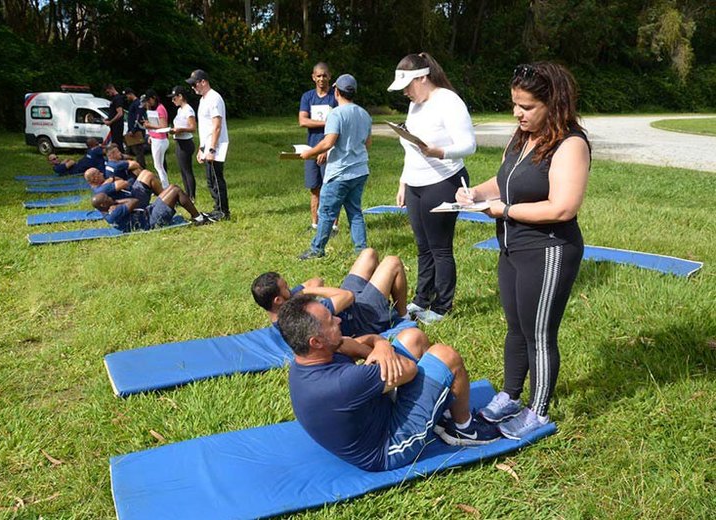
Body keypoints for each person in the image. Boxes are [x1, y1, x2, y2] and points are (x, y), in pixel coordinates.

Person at [455, 62, 590, 439]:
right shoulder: (520, 138)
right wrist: (477, 194)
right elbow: (505, 181)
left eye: (527, 107)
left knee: (539, 332)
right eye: (515, 104)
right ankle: (511, 395)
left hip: (548, 250)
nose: (518, 113)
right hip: (511, 247)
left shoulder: (570, 144)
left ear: (554, 103)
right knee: (516, 327)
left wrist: (505, 211)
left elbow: (563, 207)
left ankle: (538, 410)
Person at [277, 294, 501, 472]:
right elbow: (409, 370)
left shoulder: (311, 356)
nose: (338, 320)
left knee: (413, 337)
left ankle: (438, 412)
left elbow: (360, 342)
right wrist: (379, 347)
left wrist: (381, 346)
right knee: (446, 356)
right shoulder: (341, 383)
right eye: (330, 321)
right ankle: (463, 429)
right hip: (387, 448)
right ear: (315, 341)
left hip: (374, 413)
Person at [387, 53, 477, 324]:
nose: (404, 92)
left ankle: (441, 307)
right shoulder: (416, 104)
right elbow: (411, 147)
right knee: (422, 246)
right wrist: (404, 181)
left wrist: (438, 152)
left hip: (443, 181)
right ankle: (421, 299)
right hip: (415, 184)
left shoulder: (448, 101)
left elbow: (469, 144)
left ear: (423, 77)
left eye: (407, 86)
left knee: (439, 248)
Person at [251, 248, 411, 336]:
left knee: (368, 254)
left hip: (349, 307)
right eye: (286, 287)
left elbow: (317, 280)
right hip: (363, 318)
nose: (290, 289)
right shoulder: (299, 316)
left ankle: (379, 294)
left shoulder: (284, 304)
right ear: (278, 300)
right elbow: (347, 297)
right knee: (392, 262)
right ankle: (403, 316)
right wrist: (306, 291)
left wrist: (297, 294)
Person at [299, 74, 371, 260]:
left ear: (336, 91)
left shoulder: (336, 114)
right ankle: (361, 251)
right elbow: (367, 144)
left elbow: (328, 142)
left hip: (340, 172)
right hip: (360, 171)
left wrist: (310, 153)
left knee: (326, 212)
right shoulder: (364, 114)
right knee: (355, 211)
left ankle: (317, 250)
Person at [186, 69, 230, 221]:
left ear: (203, 82)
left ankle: (223, 212)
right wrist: (201, 148)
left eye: (194, 84)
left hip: (216, 145)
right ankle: (217, 208)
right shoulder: (203, 99)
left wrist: (211, 149)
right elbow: (204, 127)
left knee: (217, 179)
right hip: (207, 145)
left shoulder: (214, 98)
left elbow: (216, 126)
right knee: (210, 180)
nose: (193, 88)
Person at [298, 62, 338, 230]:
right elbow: (302, 121)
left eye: (324, 75)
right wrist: (325, 121)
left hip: (330, 149)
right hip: (312, 148)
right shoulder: (307, 97)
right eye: (318, 76)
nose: (321, 79)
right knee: (314, 188)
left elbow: (339, 126)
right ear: (313, 77)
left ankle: (334, 227)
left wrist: (327, 149)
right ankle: (315, 224)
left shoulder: (335, 97)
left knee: (331, 189)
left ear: (329, 76)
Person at [91, 183, 211, 232]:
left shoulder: (107, 209)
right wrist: (116, 201)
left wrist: (114, 202)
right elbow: (134, 201)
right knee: (176, 191)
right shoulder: (114, 213)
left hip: (148, 212)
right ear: (103, 205)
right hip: (152, 220)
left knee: (173, 187)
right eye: (108, 198)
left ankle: (193, 213)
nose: (110, 198)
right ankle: (199, 218)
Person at [168, 86, 197, 201]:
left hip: (186, 143)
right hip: (179, 142)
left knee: (187, 170)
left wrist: (180, 130)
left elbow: (193, 127)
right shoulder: (180, 110)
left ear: (180, 96)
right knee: (182, 170)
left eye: (174, 98)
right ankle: (187, 195)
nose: (172, 101)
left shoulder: (188, 110)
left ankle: (192, 196)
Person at [85, 167, 159, 206]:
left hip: (131, 197)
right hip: (135, 201)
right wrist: (112, 179)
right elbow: (124, 183)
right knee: (149, 175)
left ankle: (161, 195)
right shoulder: (103, 188)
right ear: (95, 178)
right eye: (99, 173)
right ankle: (163, 198)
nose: (102, 173)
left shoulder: (96, 188)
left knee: (144, 172)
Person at [143, 89, 170, 189]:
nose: (148, 103)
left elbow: (164, 126)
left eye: (149, 100)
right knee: (158, 166)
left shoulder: (160, 109)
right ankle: (163, 186)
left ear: (153, 98)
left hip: (160, 140)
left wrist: (149, 126)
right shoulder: (156, 109)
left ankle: (165, 187)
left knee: (158, 166)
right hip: (156, 139)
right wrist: (151, 135)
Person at [123, 87, 148, 169]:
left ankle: (141, 167)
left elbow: (138, 118)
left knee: (138, 151)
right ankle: (128, 166)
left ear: (130, 94)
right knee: (128, 150)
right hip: (131, 130)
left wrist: (133, 130)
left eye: (126, 96)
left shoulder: (137, 104)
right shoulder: (134, 103)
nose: (126, 98)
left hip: (137, 131)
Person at [103, 84, 126, 153]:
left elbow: (120, 113)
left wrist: (110, 122)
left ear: (111, 89)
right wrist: (108, 119)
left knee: (117, 143)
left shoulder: (117, 98)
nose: (108, 94)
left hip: (117, 125)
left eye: (108, 92)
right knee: (115, 142)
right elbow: (114, 113)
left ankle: (121, 157)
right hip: (114, 125)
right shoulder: (114, 99)